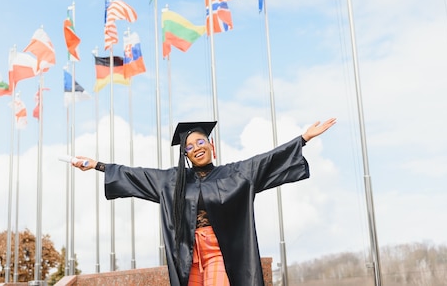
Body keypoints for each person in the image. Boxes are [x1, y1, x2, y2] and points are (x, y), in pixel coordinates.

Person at [73, 117, 336, 286]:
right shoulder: (172, 180)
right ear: (185, 155)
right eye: (189, 146)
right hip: (188, 253)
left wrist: (304, 139)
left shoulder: (236, 173)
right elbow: (135, 174)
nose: (196, 147)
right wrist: (96, 165)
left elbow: (267, 160)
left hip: (219, 250)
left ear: (211, 145)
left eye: (201, 141)